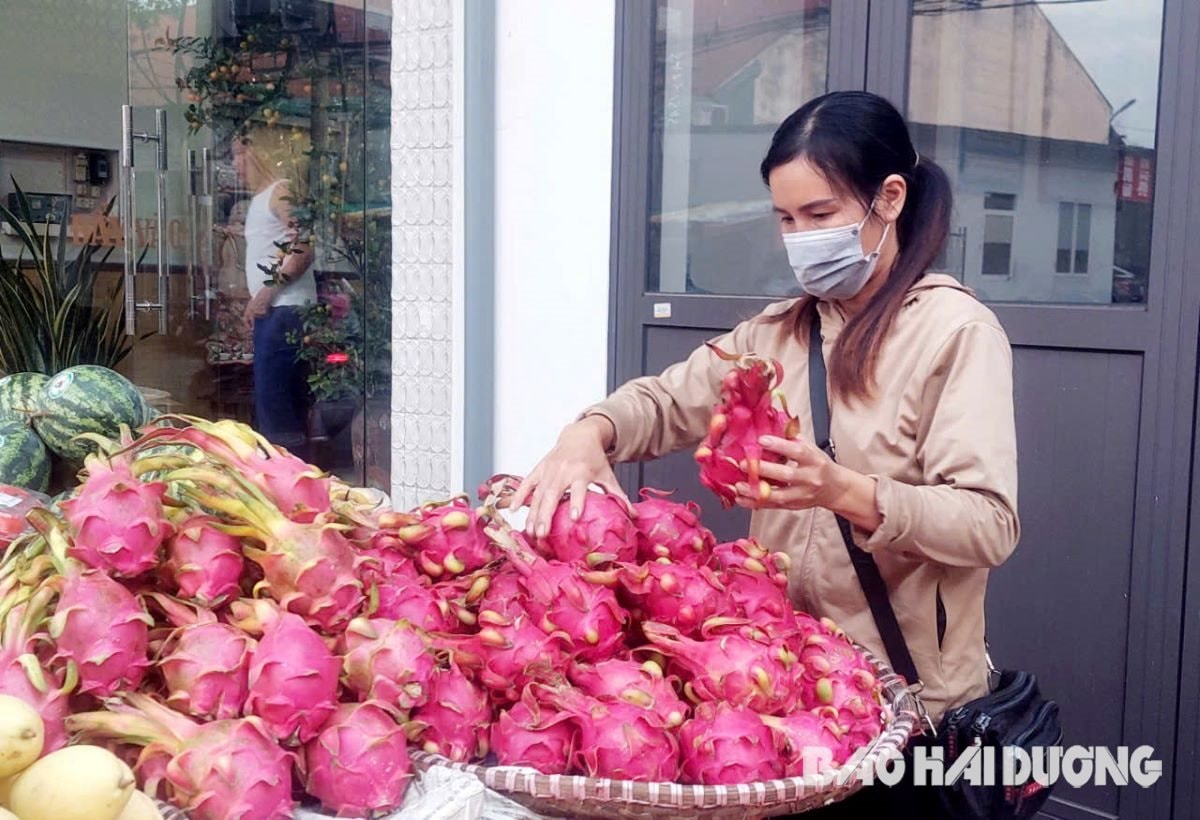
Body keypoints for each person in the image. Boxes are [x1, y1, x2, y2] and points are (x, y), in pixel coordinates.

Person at [508, 90, 1019, 817]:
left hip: (904, 714)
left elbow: (988, 523)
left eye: (820, 215)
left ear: (890, 198)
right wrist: (588, 432)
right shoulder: (775, 336)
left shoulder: (955, 333)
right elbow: (664, 401)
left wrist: (841, 488)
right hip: (782, 691)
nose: (800, 237)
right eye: (785, 218)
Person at [230, 130, 318, 459]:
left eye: (240, 154)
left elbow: (304, 246)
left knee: (278, 409)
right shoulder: (260, 199)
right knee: (272, 406)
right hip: (273, 312)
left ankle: (292, 480)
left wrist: (266, 293)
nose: (236, 165)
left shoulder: (280, 192)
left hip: (286, 311)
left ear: (258, 153)